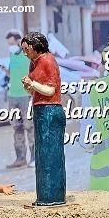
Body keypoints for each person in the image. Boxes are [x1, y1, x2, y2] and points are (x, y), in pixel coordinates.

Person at [19, 31, 66, 206]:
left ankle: (53, 196)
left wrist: (33, 84)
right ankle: (44, 196)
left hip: (50, 110)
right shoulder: (33, 64)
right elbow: (34, 91)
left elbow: (50, 91)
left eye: (26, 49)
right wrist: (28, 86)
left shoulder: (48, 60)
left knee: (51, 155)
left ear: (35, 46)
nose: (25, 53)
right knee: (41, 155)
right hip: (39, 110)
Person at [3, 30, 32, 168]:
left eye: (11, 43)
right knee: (16, 127)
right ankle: (20, 158)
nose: (10, 46)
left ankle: (34, 159)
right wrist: (5, 71)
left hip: (26, 96)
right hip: (12, 96)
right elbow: (12, 73)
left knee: (30, 127)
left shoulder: (28, 54)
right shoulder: (11, 55)